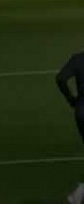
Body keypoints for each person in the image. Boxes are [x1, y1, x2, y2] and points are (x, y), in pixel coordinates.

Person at [56, 51, 84, 204]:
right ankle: (78, 195)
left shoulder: (78, 58)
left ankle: (78, 196)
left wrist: (71, 100)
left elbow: (60, 78)